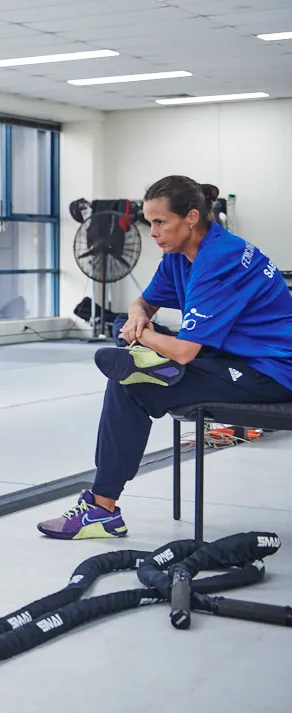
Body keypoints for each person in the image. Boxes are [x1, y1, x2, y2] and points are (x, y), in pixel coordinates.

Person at [38, 176, 292, 540]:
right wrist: (136, 317)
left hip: (269, 371)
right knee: (126, 334)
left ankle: (102, 509)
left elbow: (186, 351)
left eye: (160, 222)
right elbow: (144, 301)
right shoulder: (179, 255)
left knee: (131, 384)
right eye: (150, 222)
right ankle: (150, 362)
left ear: (191, 217)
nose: (153, 233)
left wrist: (140, 334)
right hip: (225, 356)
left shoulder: (219, 260)